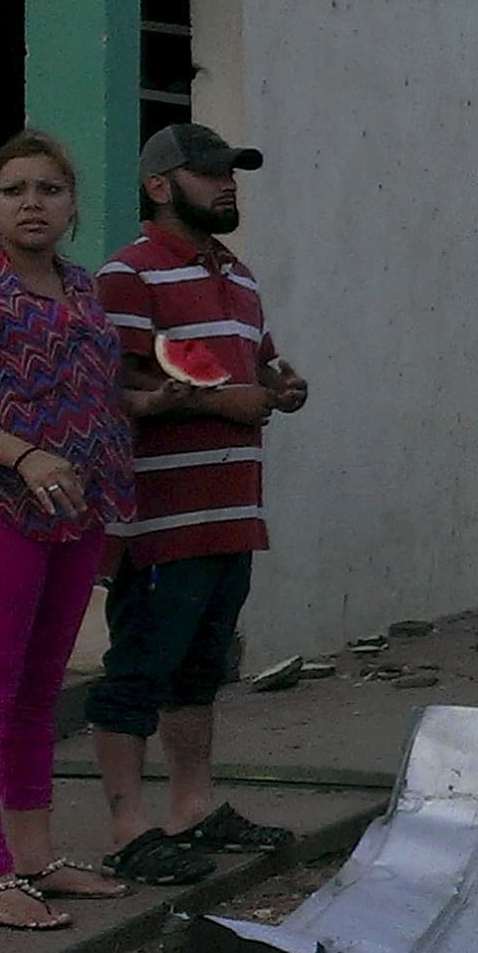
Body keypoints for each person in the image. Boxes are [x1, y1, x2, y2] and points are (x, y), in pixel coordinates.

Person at [0, 131, 140, 930]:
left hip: (76, 513)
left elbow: (98, 394)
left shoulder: (83, 291)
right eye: (14, 190)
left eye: (49, 189)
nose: (32, 203)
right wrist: (24, 456)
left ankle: (35, 856)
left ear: (73, 205)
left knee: (42, 693)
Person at [90, 124, 309, 886]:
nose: (228, 185)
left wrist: (283, 385)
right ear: (159, 186)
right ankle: (127, 828)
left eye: (233, 174)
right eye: (210, 173)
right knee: (138, 671)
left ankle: (192, 807)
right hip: (159, 519)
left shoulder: (239, 276)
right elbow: (108, 394)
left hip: (229, 514)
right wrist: (216, 404)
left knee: (200, 671)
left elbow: (256, 364)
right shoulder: (127, 277)